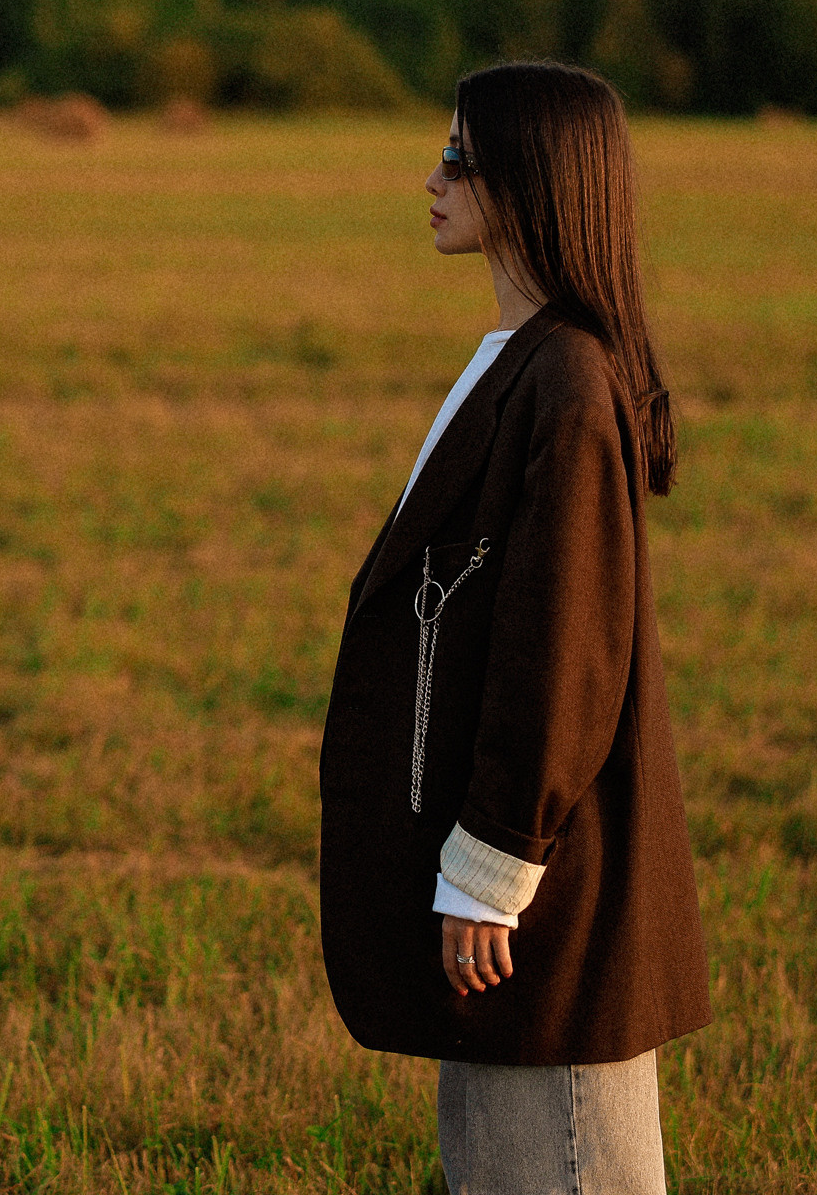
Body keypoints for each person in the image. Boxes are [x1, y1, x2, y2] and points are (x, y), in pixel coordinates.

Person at [316, 61, 710, 1194]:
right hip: (500, 887)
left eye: (459, 158)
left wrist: (490, 869)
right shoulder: (524, 362)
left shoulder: (569, 385)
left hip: (542, 901)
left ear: (530, 181)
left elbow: (563, 654)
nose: (431, 180)